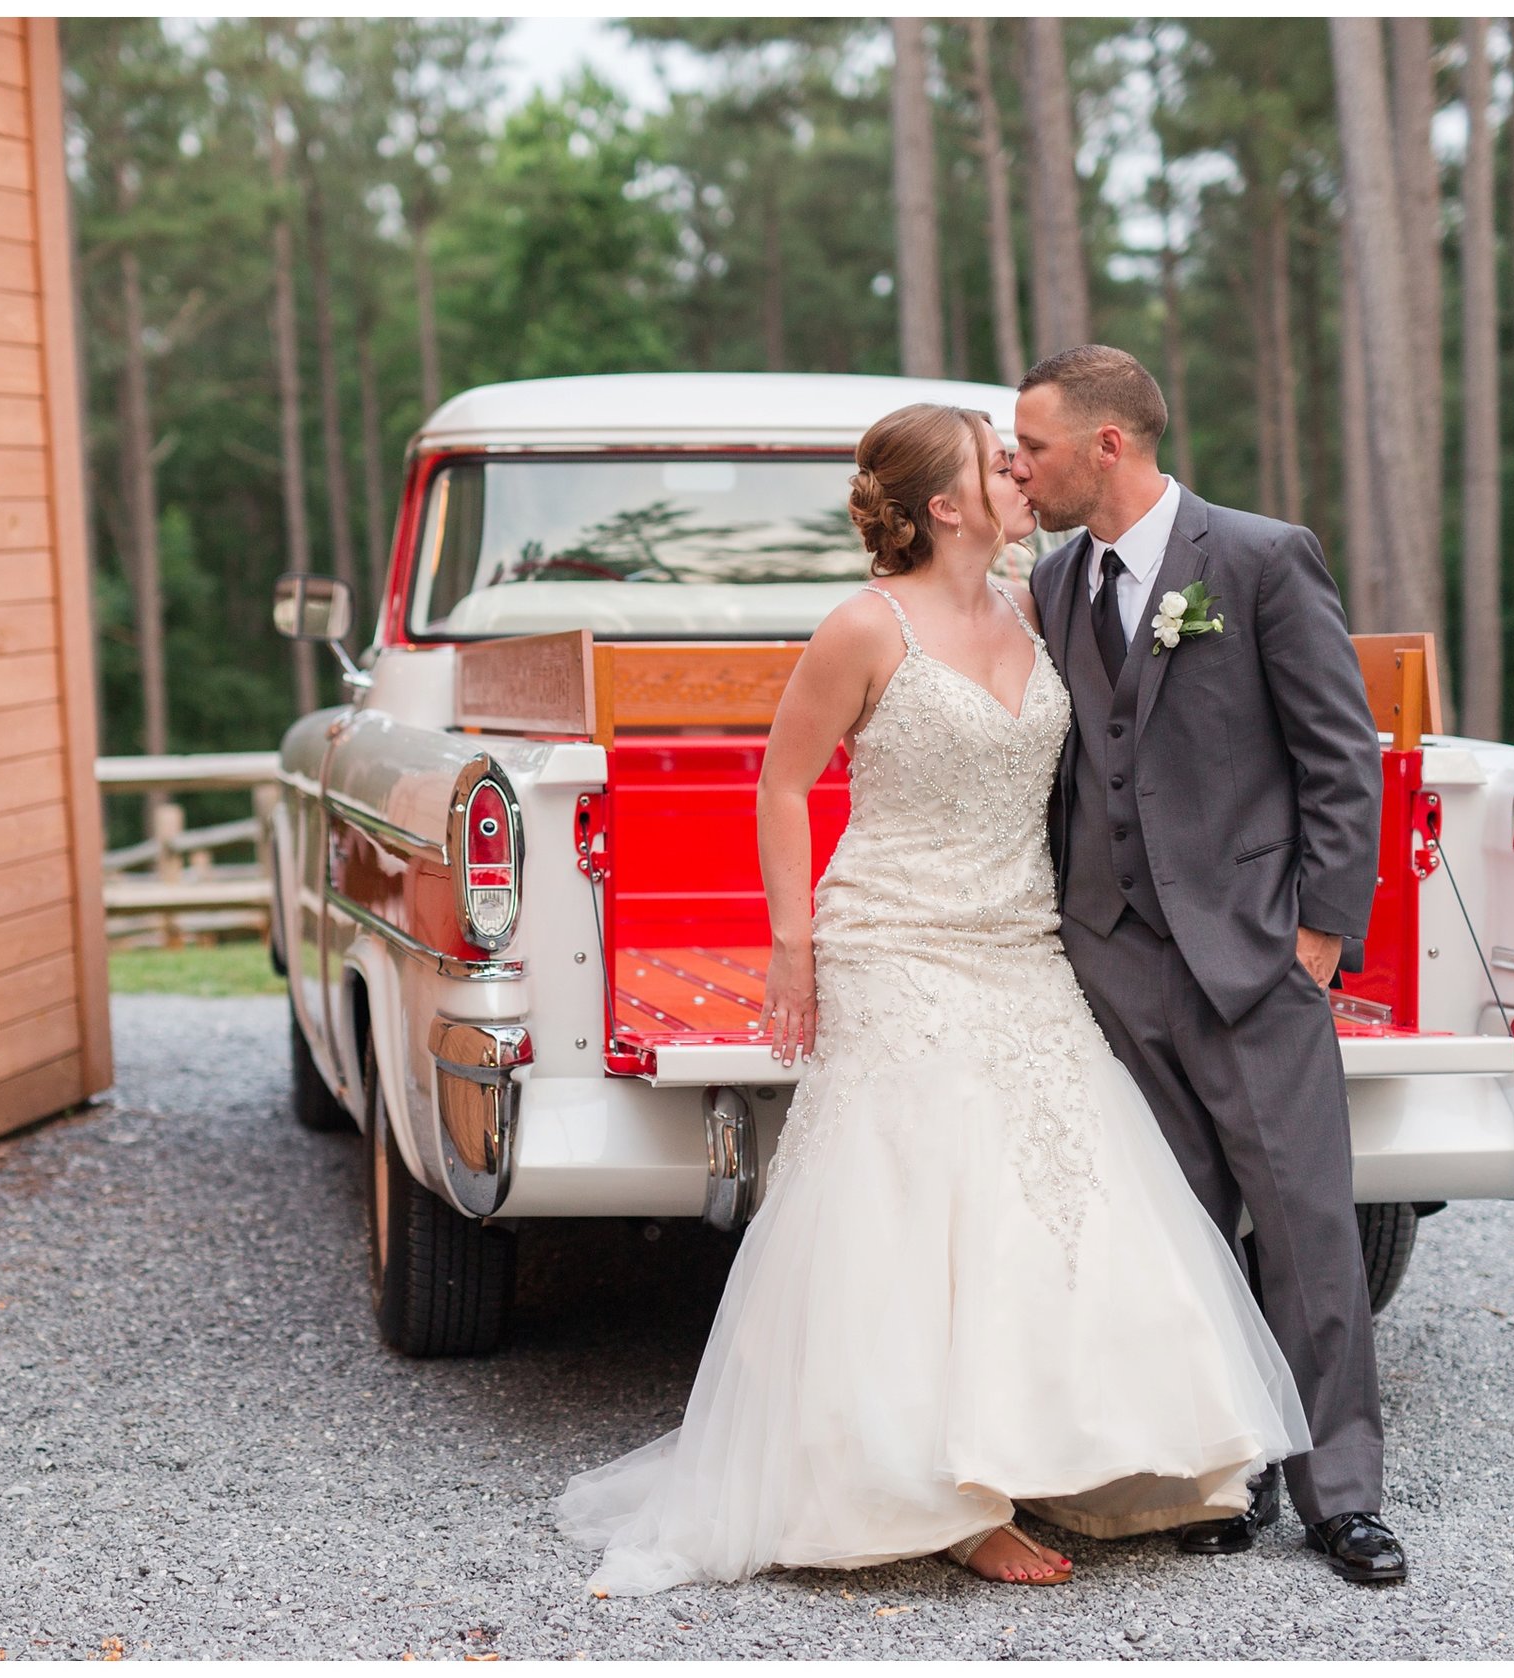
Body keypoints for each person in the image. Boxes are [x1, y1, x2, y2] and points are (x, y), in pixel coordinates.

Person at [553, 402, 1309, 1597]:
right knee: (921, 1198)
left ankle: (1081, 1447)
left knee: (1066, 1181)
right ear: (945, 507)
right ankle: (938, 1492)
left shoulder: (1040, 605)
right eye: (993, 463)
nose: (1019, 472)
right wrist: (792, 945)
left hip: (1019, 938)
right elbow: (784, 782)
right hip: (893, 939)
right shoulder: (863, 627)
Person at [1011, 345, 1400, 1586]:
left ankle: (1339, 1494)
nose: (1019, 468)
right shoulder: (1055, 578)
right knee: (1173, 1236)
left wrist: (1319, 935)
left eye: (1034, 447)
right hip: (1112, 961)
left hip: (1250, 955)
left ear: (1107, 445)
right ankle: (1217, 1476)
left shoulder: (1259, 556)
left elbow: (1341, 756)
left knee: (1303, 1229)